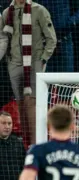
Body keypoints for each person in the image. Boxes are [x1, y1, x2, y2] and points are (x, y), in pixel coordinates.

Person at [0, 0, 57, 145]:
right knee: (20, 104)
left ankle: (35, 145)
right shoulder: (7, 12)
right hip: (14, 63)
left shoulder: (39, 10)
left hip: (34, 63)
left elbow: (51, 39)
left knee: (31, 102)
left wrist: (43, 59)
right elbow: (3, 38)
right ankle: (25, 145)